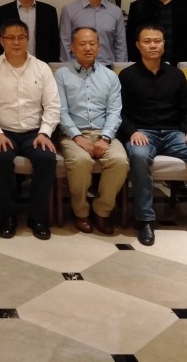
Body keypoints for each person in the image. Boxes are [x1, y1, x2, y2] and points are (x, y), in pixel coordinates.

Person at [119, 24, 187, 248]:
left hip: (175, 134)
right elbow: (119, 112)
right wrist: (132, 131)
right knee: (138, 155)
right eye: (147, 41)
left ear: (164, 44)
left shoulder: (176, 75)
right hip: (143, 133)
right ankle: (145, 219)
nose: (153, 45)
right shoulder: (127, 76)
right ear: (138, 45)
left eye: (157, 41)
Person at [0, 19, 60, 240]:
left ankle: (38, 217)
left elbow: (53, 105)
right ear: (1, 41)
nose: (16, 42)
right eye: (10, 38)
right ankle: (8, 216)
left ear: (28, 40)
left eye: (21, 37)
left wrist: (45, 133)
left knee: (47, 158)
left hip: (35, 132)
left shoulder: (42, 68)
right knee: (2, 158)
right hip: (2, 131)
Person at [55, 27, 128, 235]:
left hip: (104, 133)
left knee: (120, 161)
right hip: (72, 134)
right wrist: (78, 137)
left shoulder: (110, 76)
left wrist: (105, 138)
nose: (88, 48)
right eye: (82, 44)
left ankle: (102, 211)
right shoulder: (61, 75)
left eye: (92, 44)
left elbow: (114, 111)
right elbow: (60, 111)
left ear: (98, 46)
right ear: (72, 47)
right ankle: (81, 212)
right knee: (81, 161)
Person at [59, 0, 127, 65]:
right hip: (78, 68)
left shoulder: (115, 11)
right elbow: (65, 44)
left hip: (108, 68)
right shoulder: (69, 10)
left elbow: (120, 45)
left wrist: (120, 69)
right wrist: (67, 70)